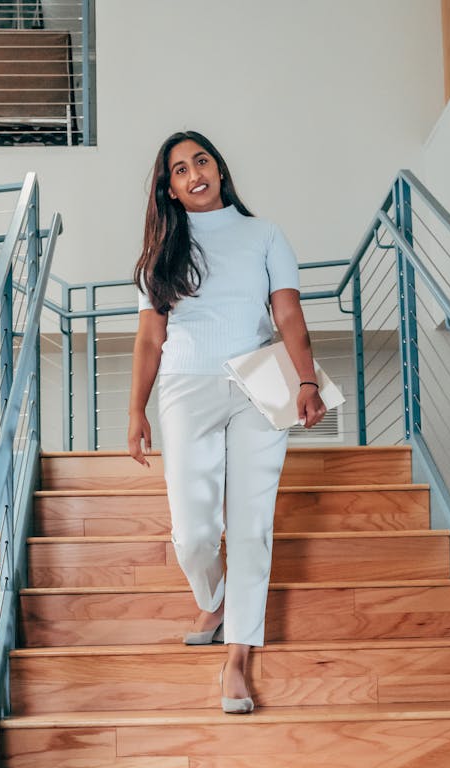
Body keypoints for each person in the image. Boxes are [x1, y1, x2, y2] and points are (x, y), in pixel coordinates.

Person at [128, 130, 325, 713]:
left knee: (250, 528)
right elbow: (148, 340)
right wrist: (135, 409)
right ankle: (212, 598)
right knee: (192, 532)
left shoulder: (264, 234)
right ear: (169, 187)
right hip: (185, 389)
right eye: (181, 168)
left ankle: (236, 656)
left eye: (202, 160)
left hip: (259, 386)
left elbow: (288, 313)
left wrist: (307, 379)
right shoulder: (158, 254)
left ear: (219, 168)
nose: (195, 173)